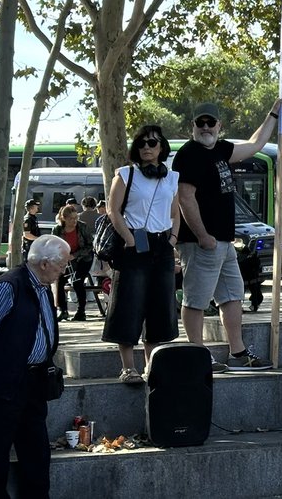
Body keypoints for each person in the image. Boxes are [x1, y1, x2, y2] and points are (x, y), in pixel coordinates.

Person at [173, 99, 282, 371]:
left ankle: (238, 353)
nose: (206, 127)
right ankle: (197, 355)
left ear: (219, 126)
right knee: (196, 299)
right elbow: (185, 198)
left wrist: (273, 113)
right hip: (202, 243)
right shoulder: (188, 154)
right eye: (201, 122)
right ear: (193, 126)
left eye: (211, 122)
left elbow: (255, 144)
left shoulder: (221, 150)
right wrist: (202, 236)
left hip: (224, 242)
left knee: (232, 296)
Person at [0, 234, 71, 499]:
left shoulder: (43, 287)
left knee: (36, 448)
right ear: (45, 263)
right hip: (2, 381)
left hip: (34, 381)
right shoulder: (9, 287)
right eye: (61, 265)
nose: (64, 271)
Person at [101, 124, 181, 385]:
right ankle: (128, 368)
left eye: (152, 143)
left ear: (161, 148)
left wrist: (172, 240)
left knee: (160, 306)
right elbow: (113, 210)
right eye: (142, 144)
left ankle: (152, 365)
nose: (147, 147)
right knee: (129, 303)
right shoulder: (125, 174)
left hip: (162, 245)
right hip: (134, 244)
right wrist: (129, 238)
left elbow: (174, 212)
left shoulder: (171, 178)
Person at [50, 204, 95, 322]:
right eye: (71, 218)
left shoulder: (82, 227)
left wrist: (74, 255)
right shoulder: (57, 229)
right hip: (65, 260)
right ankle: (63, 310)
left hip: (83, 259)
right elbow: (54, 246)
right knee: (59, 280)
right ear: (64, 218)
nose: (74, 221)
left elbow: (90, 246)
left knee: (77, 281)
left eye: (76, 218)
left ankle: (81, 311)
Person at [22, 198, 42, 264]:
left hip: (33, 246)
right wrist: (38, 239)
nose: (37, 208)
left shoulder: (33, 218)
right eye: (36, 206)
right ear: (32, 208)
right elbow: (26, 234)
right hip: (29, 247)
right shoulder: (27, 219)